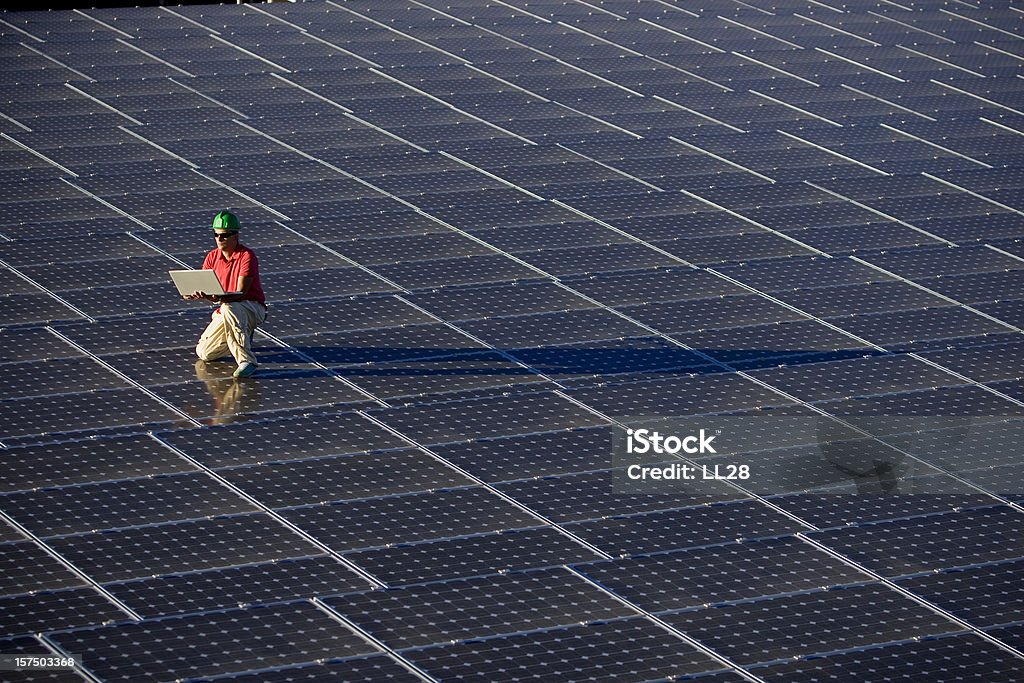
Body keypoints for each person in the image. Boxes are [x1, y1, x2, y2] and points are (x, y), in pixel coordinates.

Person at [185, 210, 267, 378]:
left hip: (251, 307)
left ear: (236, 236)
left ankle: (247, 361)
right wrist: (197, 294)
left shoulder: (246, 257)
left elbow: (240, 293)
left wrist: (215, 298)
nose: (219, 239)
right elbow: (206, 286)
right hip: (226, 310)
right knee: (204, 353)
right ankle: (242, 335)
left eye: (224, 235)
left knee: (230, 307)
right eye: (216, 235)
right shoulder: (211, 257)